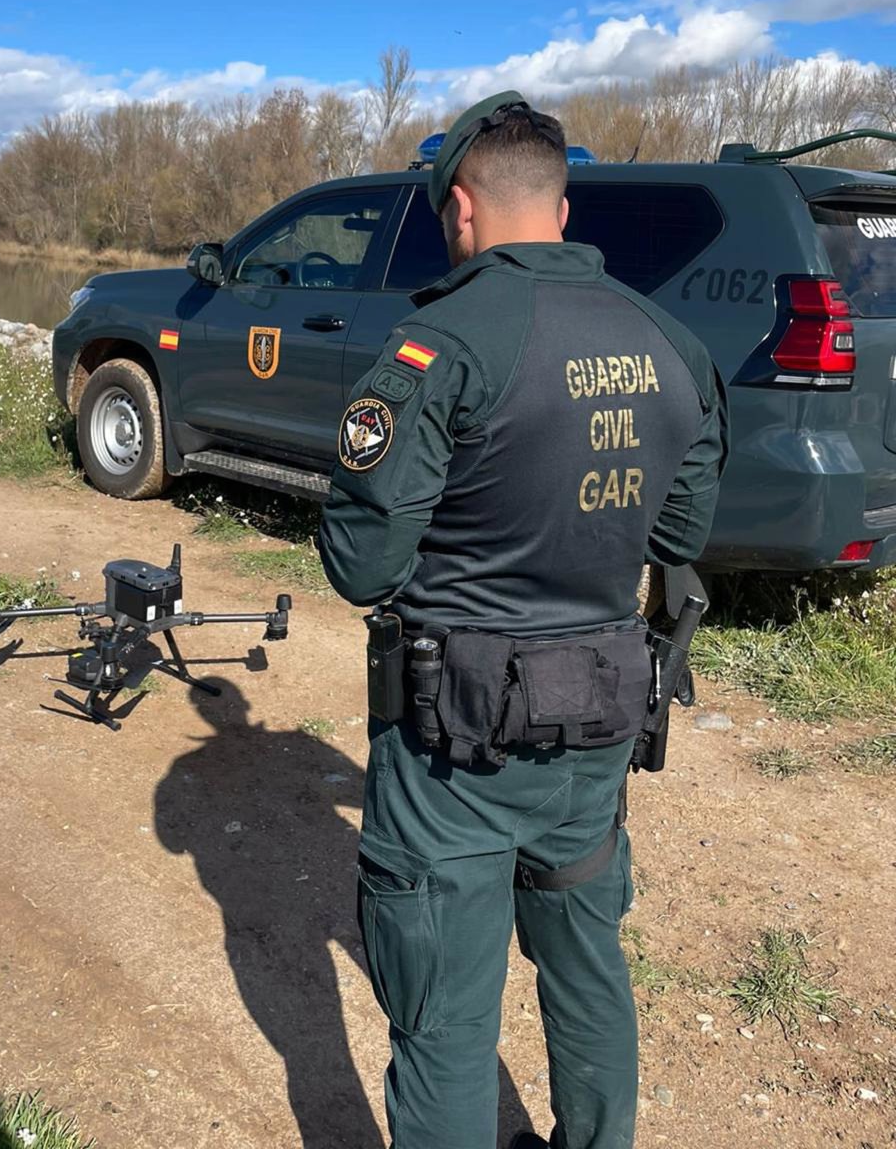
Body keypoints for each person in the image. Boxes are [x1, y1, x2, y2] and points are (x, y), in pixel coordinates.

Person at [318, 92, 728, 1149]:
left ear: (460, 208)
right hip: (596, 728)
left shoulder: (439, 346)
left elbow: (361, 563)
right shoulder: (672, 345)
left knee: (446, 1021)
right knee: (588, 969)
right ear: (561, 206)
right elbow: (681, 530)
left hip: (451, 751)